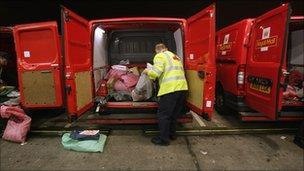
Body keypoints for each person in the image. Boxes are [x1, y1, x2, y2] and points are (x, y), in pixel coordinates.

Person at [143, 43, 188, 146]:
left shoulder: (160, 56)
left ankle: (163, 140)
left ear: (157, 50)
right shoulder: (175, 56)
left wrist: (147, 71)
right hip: (182, 89)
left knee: (163, 115)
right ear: (166, 49)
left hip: (170, 90)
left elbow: (156, 73)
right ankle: (172, 135)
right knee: (173, 114)